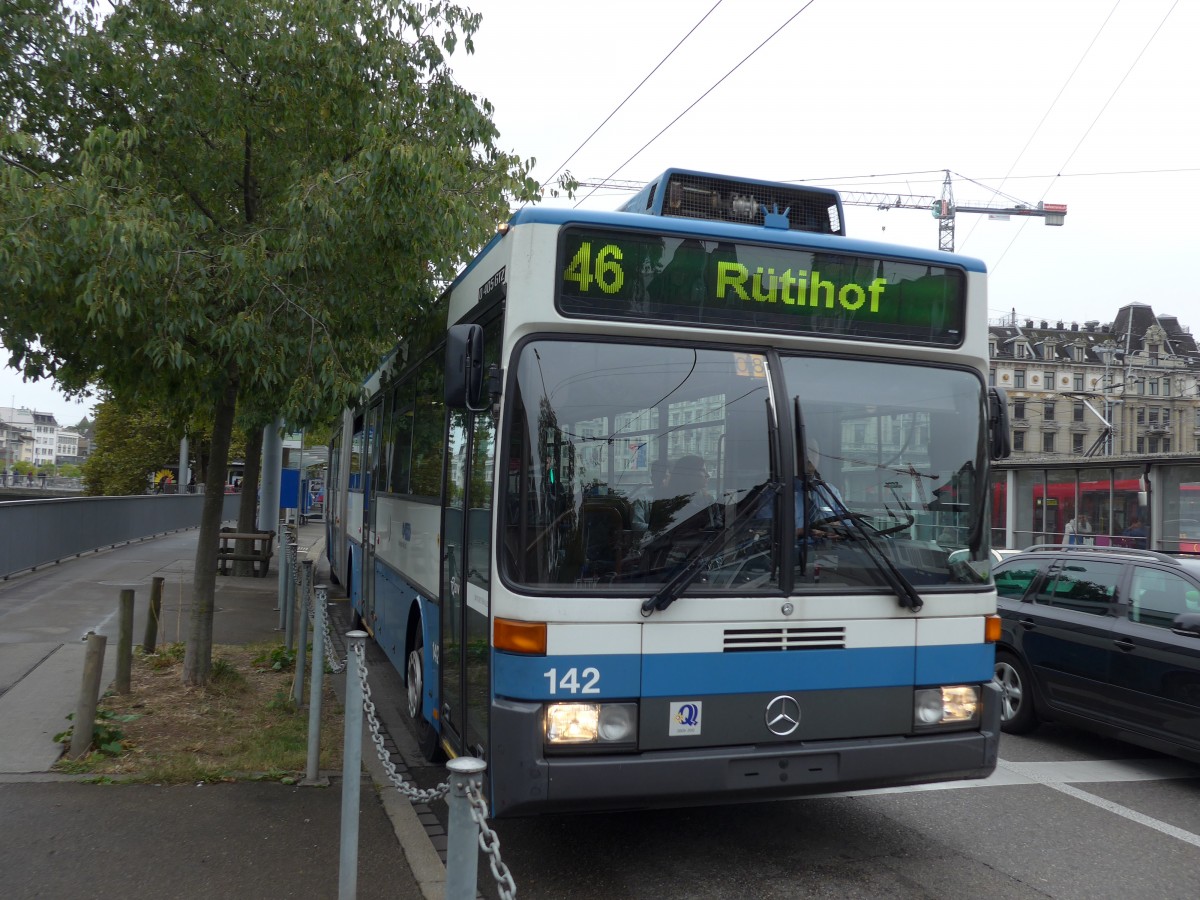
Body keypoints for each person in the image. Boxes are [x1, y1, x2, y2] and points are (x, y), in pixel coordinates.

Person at [795, 437, 851, 542]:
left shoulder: (829, 491)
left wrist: (838, 529)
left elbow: (849, 524)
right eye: (805, 451)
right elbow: (769, 534)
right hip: (792, 554)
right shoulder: (775, 493)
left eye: (814, 452)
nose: (809, 457)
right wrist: (809, 531)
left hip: (828, 552)